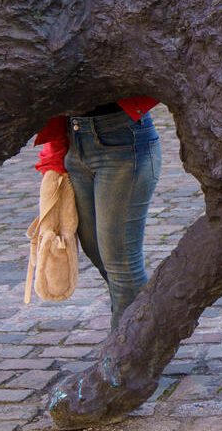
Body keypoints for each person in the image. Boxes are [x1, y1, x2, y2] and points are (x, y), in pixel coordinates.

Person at [34, 98, 162, 328]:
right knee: (99, 254)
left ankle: (127, 353)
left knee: (121, 266)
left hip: (123, 140)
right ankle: (146, 325)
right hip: (75, 142)